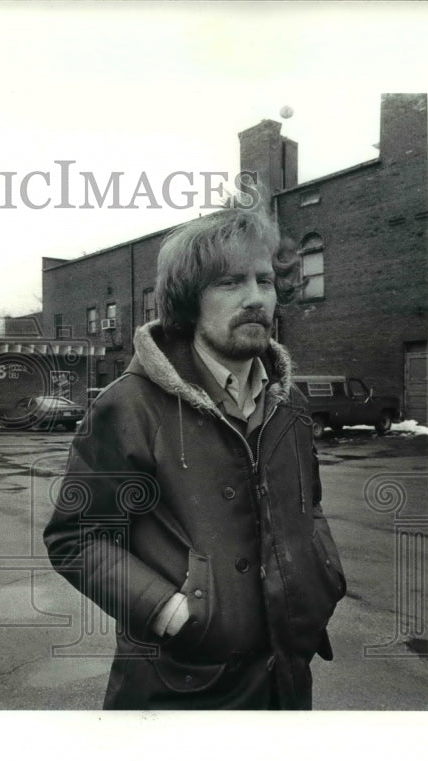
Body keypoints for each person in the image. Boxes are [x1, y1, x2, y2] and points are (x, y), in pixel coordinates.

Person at [44, 203, 346, 710]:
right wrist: (168, 610)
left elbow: (308, 507)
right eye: (230, 283)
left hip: (287, 679)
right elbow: (76, 538)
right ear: (187, 301)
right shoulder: (130, 405)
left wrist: (324, 577)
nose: (255, 299)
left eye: (265, 281)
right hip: (178, 686)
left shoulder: (288, 403)